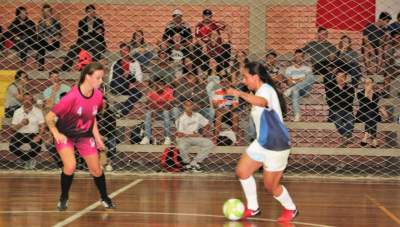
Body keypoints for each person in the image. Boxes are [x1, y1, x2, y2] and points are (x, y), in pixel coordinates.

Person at [226, 62, 298, 222]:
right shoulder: (258, 92)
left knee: (270, 187)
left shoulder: (266, 90)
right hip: (262, 142)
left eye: (245, 77)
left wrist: (239, 93)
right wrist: (225, 101)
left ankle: (291, 208)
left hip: (276, 145)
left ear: (255, 76)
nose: (244, 81)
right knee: (242, 172)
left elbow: (262, 102)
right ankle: (253, 208)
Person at [45, 62, 115, 211]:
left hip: (84, 135)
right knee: (70, 166)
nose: (101, 81)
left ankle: (104, 197)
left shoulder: (98, 95)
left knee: (96, 170)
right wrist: (56, 133)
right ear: (87, 77)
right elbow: (49, 117)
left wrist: (97, 138)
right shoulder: (71, 97)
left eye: (102, 77)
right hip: (66, 135)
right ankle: (64, 197)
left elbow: (92, 117)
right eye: (98, 78)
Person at [61, 5, 106, 71]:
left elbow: (100, 35)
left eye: (92, 12)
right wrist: (94, 33)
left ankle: (93, 68)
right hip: (85, 42)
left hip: (96, 42)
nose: (90, 13)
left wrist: (87, 34)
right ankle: (65, 68)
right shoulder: (82, 22)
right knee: (73, 48)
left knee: (97, 47)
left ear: (94, 12)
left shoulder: (99, 21)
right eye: (89, 12)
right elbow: (80, 35)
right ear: (86, 12)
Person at [175, 99, 214, 172]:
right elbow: (180, 135)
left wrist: (203, 132)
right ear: (184, 106)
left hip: (195, 137)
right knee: (181, 146)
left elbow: (207, 124)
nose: (189, 107)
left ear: (193, 106)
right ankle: (186, 164)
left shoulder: (197, 115)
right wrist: (193, 134)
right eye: (187, 106)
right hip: (184, 139)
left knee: (209, 143)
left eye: (191, 105)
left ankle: (195, 163)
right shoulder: (181, 118)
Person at [10, 93, 45, 170]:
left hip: (33, 134)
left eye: (29, 99)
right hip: (20, 133)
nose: (27, 101)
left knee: (37, 147)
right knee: (12, 146)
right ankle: (27, 159)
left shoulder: (38, 111)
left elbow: (42, 125)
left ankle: (25, 159)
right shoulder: (17, 111)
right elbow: (13, 128)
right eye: (25, 99)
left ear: (32, 101)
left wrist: (39, 136)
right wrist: (21, 124)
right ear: (22, 101)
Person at [109, 43, 143, 116]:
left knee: (138, 94)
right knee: (118, 66)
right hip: (116, 84)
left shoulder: (135, 63)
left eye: (126, 50)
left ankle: (122, 111)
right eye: (122, 50)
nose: (124, 52)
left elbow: (139, 79)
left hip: (127, 86)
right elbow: (111, 78)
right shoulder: (116, 63)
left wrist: (133, 83)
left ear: (129, 51)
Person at [140, 77, 174, 145]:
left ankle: (167, 137)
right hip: (154, 113)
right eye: (158, 84)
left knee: (166, 112)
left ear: (165, 85)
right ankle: (147, 137)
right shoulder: (151, 92)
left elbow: (168, 105)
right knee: (148, 113)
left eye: (162, 84)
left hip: (166, 113)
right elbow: (148, 105)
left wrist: (156, 108)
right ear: (155, 85)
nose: (160, 86)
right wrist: (153, 109)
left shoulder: (169, 90)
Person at [284, 49, 315, 122]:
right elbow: (289, 83)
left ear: (303, 58)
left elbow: (310, 80)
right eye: (297, 56)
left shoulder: (307, 68)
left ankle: (290, 90)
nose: (299, 58)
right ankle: (297, 115)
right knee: (295, 91)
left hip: (305, 90)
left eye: (301, 56)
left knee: (311, 76)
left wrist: (294, 80)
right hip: (294, 90)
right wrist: (301, 79)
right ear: (294, 57)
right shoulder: (289, 69)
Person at [356, 78, 388, 148]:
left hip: (373, 115)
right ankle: (374, 139)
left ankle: (365, 137)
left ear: (373, 84)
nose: (367, 84)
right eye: (365, 83)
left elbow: (374, 106)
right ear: (364, 85)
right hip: (362, 115)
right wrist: (366, 93)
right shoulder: (359, 94)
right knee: (370, 114)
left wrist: (382, 110)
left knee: (371, 114)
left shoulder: (377, 94)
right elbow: (364, 105)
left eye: (369, 83)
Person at [329, 69, 355, 147]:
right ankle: (347, 137)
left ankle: (345, 138)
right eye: (338, 77)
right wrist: (343, 99)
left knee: (351, 121)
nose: (340, 78)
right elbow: (331, 102)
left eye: (342, 76)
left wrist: (338, 99)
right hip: (335, 111)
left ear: (346, 78)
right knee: (337, 121)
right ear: (335, 78)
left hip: (347, 110)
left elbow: (349, 100)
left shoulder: (350, 88)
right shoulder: (331, 89)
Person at [36, 4, 62, 71]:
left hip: (54, 43)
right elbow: (40, 34)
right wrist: (47, 39)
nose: (46, 13)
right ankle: (40, 66)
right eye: (45, 12)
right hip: (45, 42)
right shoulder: (41, 22)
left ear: (51, 12)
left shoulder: (56, 22)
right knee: (40, 44)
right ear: (43, 13)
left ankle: (39, 61)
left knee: (41, 44)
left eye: (48, 11)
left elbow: (59, 34)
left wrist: (52, 39)